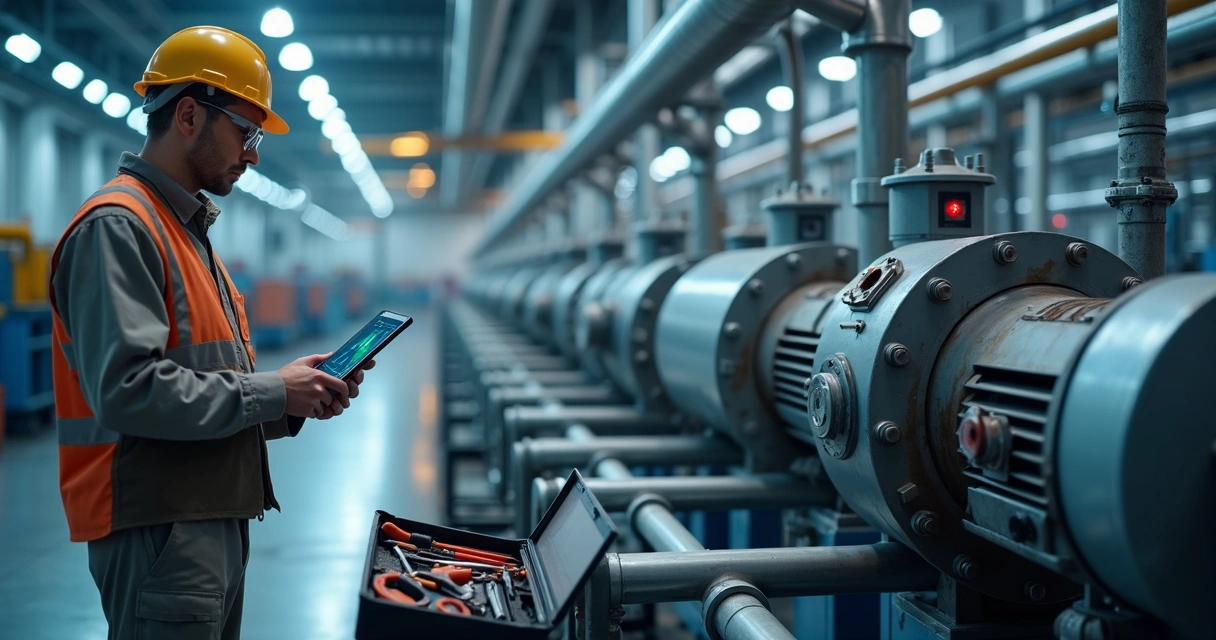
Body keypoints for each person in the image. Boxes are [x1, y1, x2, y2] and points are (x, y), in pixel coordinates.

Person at [49, 26, 371, 639]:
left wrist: (292, 396)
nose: (253, 154)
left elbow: (202, 380)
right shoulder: (119, 226)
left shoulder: (184, 231)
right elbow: (128, 392)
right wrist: (272, 391)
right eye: (246, 133)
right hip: (158, 526)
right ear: (189, 115)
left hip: (203, 516)